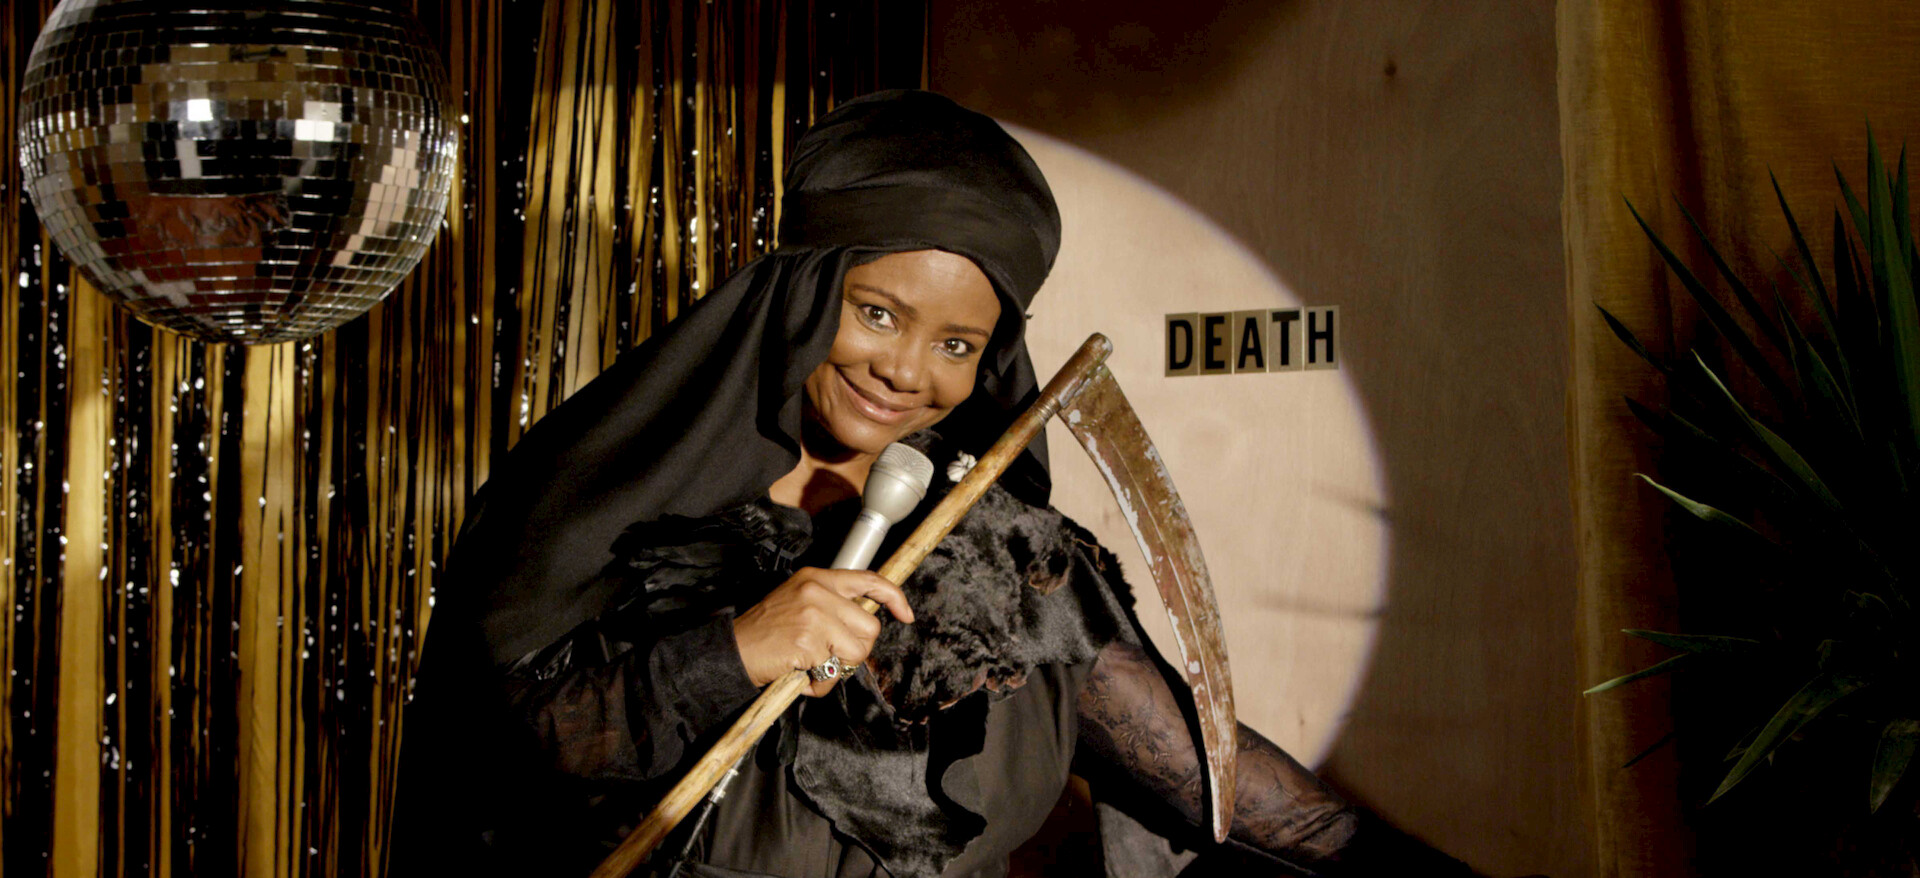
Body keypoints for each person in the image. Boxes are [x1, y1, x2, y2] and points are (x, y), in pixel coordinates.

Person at [391, 90, 1479, 878]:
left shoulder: (1007, 566)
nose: (908, 372)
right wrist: (733, 651)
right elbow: (486, 764)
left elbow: (1228, 788)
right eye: (878, 313)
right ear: (798, 291)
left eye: (959, 344)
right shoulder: (606, 500)